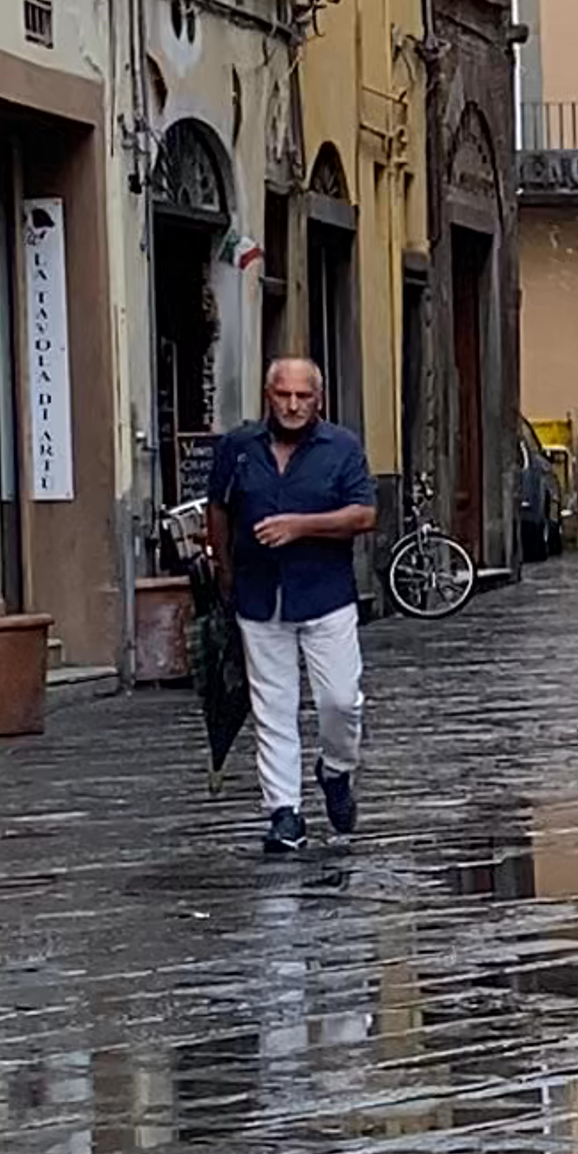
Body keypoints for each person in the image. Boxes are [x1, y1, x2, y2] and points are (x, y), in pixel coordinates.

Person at [198, 358, 376, 855]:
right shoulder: (238, 448)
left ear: (319, 400)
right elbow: (218, 506)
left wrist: (300, 526)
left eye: (303, 397)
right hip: (257, 593)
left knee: (340, 701)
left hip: (326, 593)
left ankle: (336, 770)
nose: (293, 405)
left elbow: (364, 513)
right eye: (283, 395)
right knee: (272, 706)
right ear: (267, 395)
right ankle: (284, 812)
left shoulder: (341, 448)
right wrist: (224, 568)